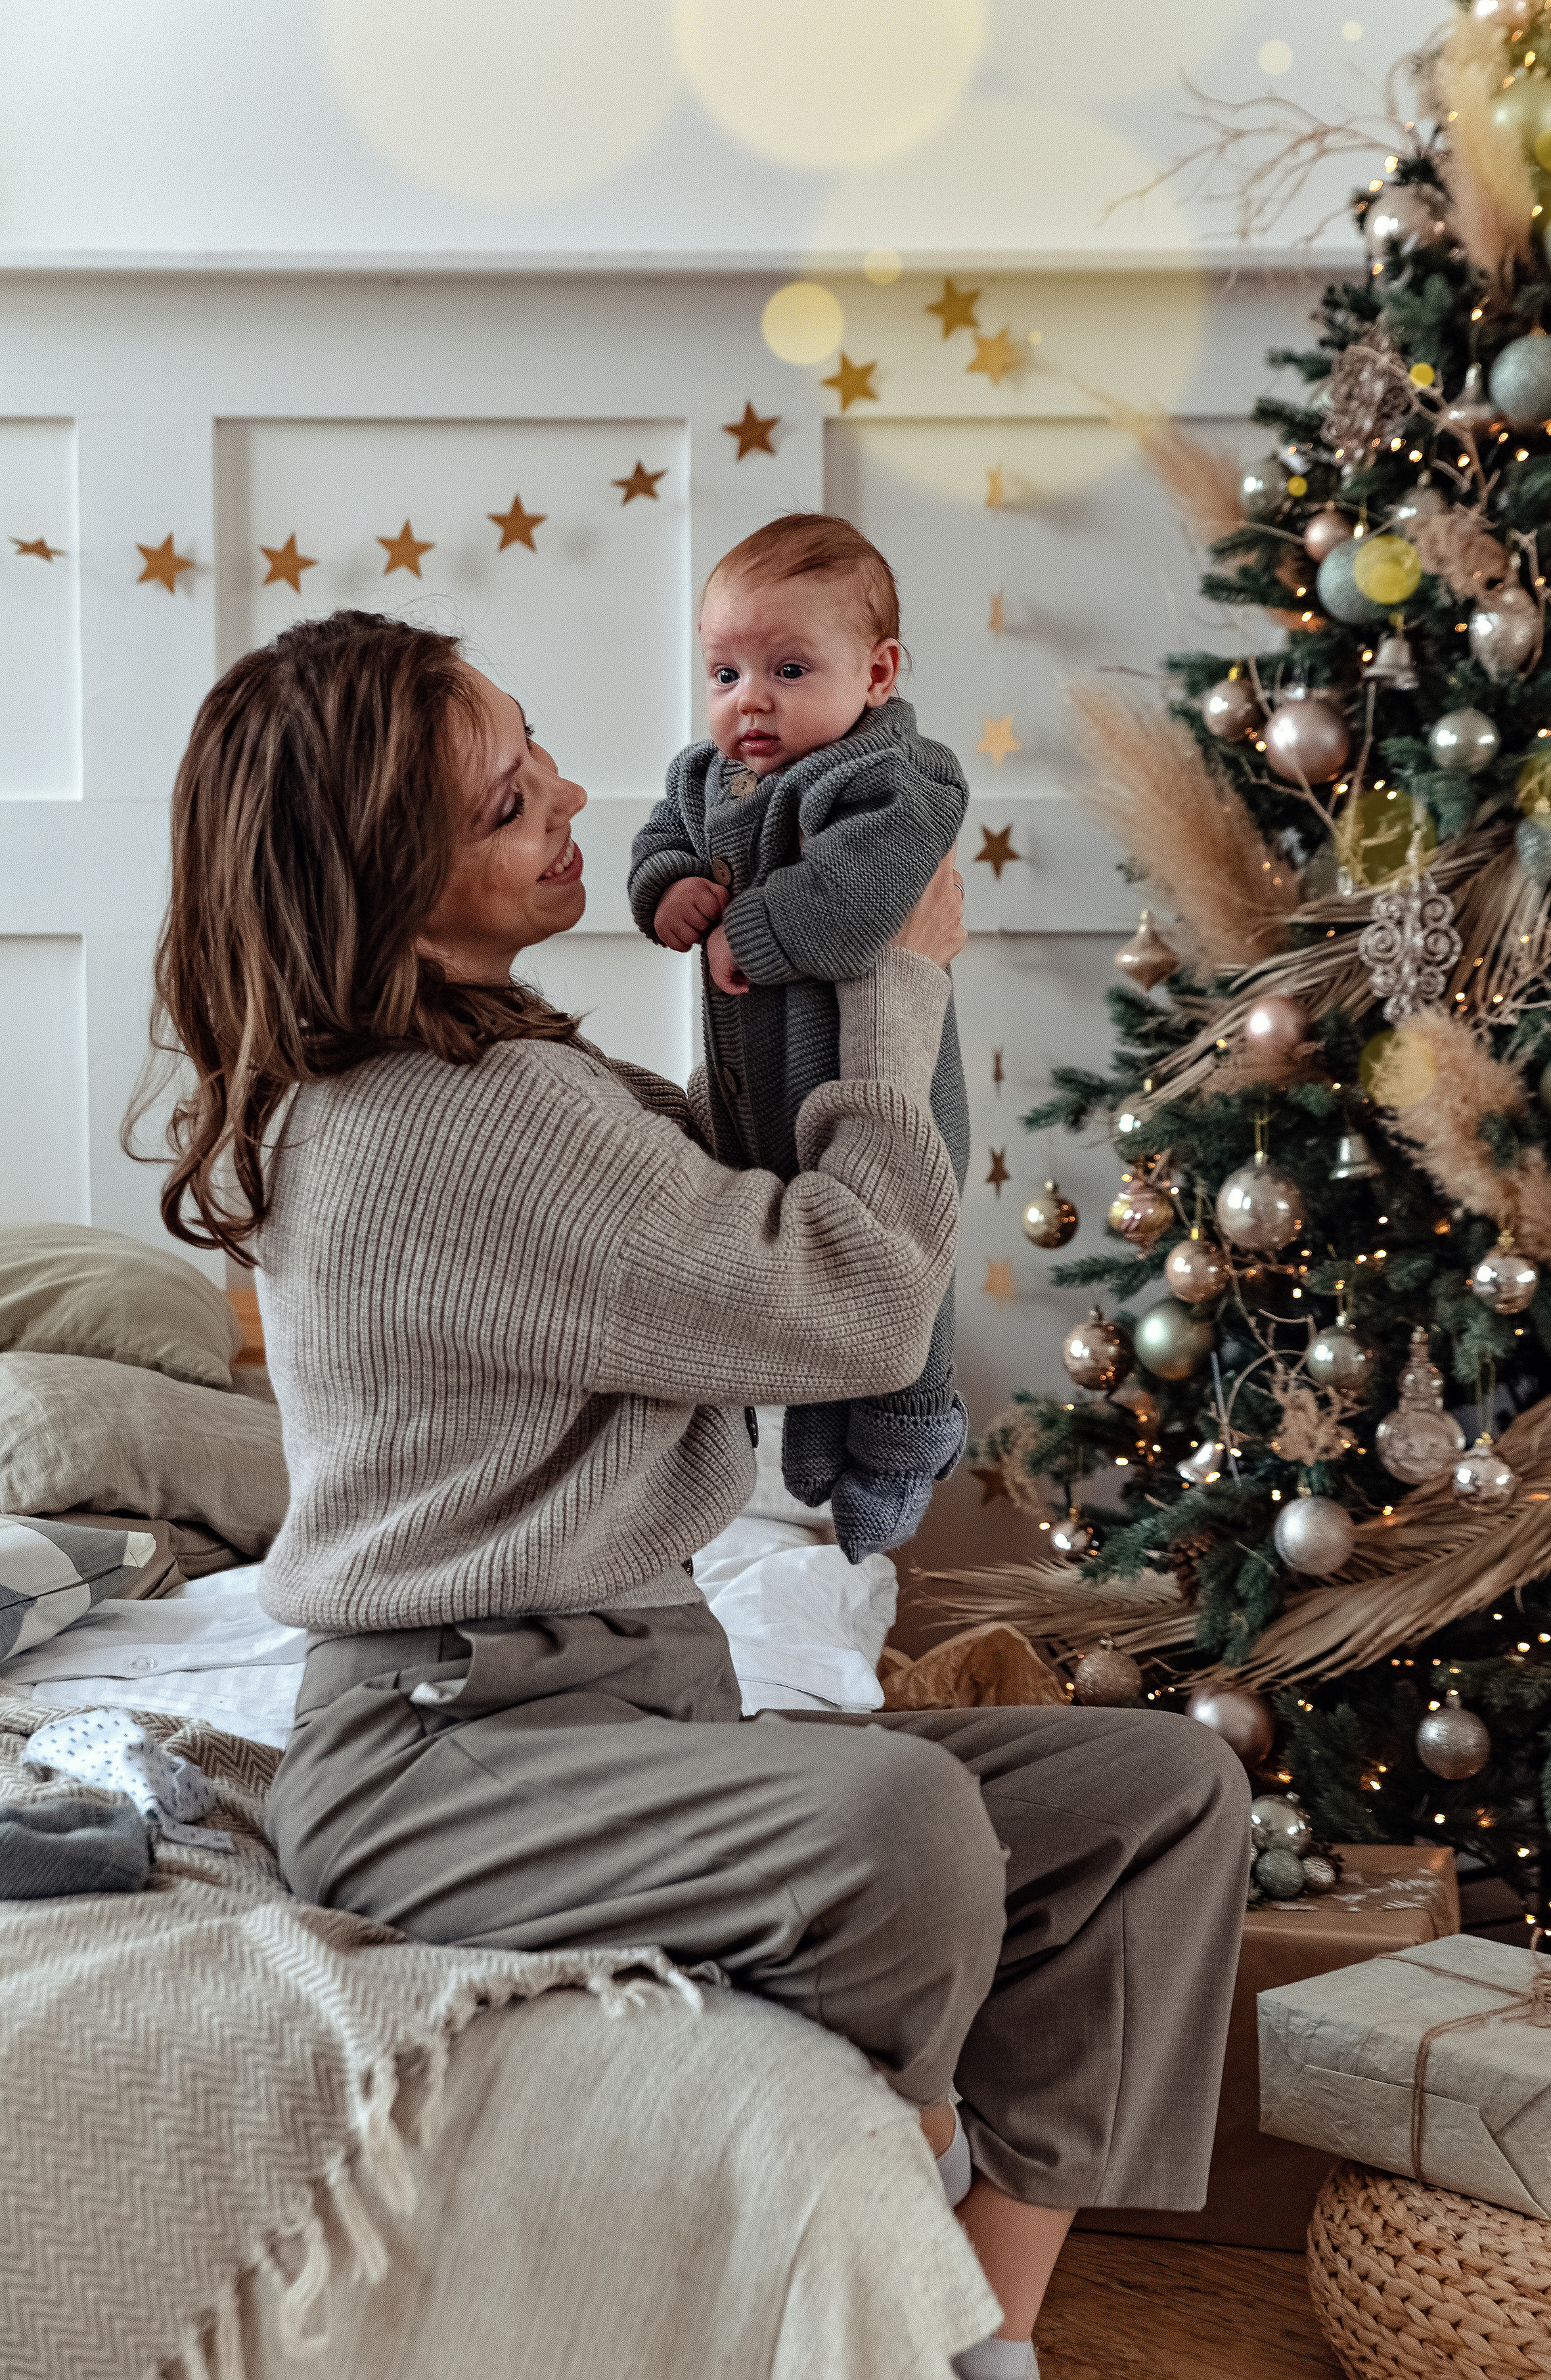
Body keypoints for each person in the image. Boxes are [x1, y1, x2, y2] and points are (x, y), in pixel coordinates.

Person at [139, 610, 1251, 2379]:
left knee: (1162, 1793)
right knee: (906, 1826)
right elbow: (852, 1302)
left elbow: (719, 1210)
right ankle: (917, 2278)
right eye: (508, 801)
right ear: (385, 885)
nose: (571, 796)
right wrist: (889, 989)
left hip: (631, 1702)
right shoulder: (438, 1125)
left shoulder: (501, 1074)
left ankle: (989, 2331)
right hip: (443, 1754)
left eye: (533, 752)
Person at [629, 513, 970, 1563]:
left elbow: (861, 893)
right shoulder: (704, 776)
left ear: (878, 672)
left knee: (898, 1261)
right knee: (791, 1261)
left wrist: (754, 928)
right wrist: (669, 889)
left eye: (787, 669)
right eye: (725, 672)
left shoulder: (896, 775)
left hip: (884, 1081)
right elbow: (660, 838)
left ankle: (905, 1434)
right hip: (755, 1090)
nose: (751, 700)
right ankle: (807, 1431)